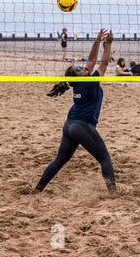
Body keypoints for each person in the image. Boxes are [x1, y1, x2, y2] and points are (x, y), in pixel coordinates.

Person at [35, 29, 117, 194]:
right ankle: (114, 195)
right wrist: (108, 44)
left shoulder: (79, 82)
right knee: (104, 159)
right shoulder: (90, 82)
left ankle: (37, 189)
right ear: (78, 76)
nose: (84, 67)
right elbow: (103, 63)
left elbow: (92, 60)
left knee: (60, 160)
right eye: (80, 68)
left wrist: (97, 40)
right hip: (81, 126)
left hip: (69, 126)